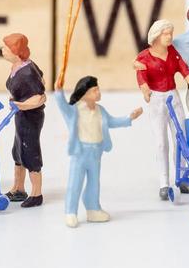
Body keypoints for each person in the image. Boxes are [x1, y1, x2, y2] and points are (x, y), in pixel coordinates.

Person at [53, 76, 142, 228]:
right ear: (84, 93)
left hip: (96, 153)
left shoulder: (101, 111)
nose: (98, 92)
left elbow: (112, 122)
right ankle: (70, 211)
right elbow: (62, 105)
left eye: (97, 89)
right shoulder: (74, 111)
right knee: (75, 182)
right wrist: (59, 91)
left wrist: (129, 118)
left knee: (94, 183)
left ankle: (93, 208)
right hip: (80, 153)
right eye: (94, 90)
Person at [135, 19, 189, 201]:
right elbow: (141, 74)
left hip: (173, 95)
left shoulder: (172, 52)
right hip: (156, 99)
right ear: (156, 35)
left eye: (171, 33)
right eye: (166, 34)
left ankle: (183, 177)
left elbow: (182, 67)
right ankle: (164, 182)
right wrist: (144, 89)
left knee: (181, 138)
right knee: (161, 142)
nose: (170, 37)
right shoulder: (144, 57)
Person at [1, 33, 47, 209]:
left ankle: (37, 194)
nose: (2, 50)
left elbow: (40, 98)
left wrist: (19, 104)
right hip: (21, 116)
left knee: (30, 154)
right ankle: (18, 188)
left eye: (6, 48)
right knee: (18, 152)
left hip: (31, 118)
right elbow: (42, 78)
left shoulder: (27, 71)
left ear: (16, 51)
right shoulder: (17, 66)